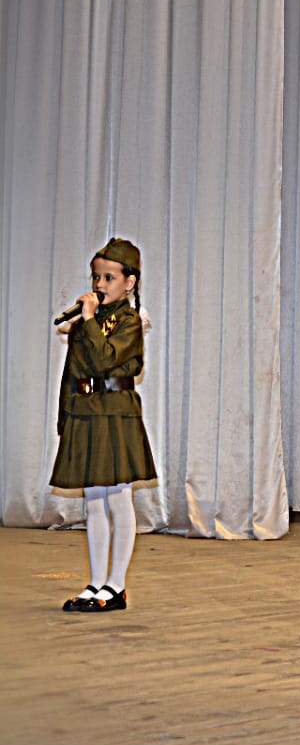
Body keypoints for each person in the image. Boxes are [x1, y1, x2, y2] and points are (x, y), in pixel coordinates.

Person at [52, 238, 158, 613]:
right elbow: (74, 372)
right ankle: (96, 582)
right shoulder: (88, 322)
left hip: (115, 412)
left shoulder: (129, 321)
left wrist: (89, 321)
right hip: (86, 412)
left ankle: (116, 585)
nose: (99, 284)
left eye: (109, 278)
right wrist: (65, 415)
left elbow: (104, 360)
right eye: (96, 277)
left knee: (118, 496)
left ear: (129, 282)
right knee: (94, 500)